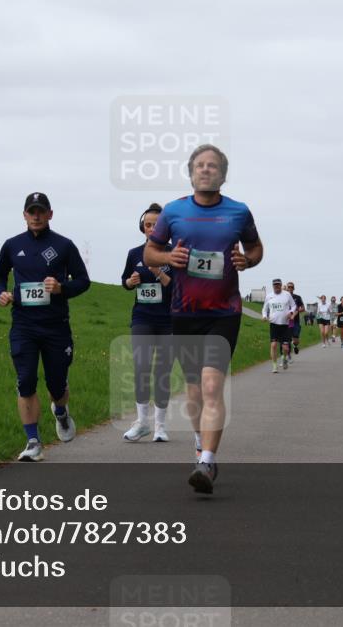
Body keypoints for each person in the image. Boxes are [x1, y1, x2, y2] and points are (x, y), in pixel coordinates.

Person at [144, 144, 263, 494]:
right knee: (195, 390)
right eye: (200, 165)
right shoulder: (173, 211)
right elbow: (150, 252)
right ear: (191, 173)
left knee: (212, 386)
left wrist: (247, 261)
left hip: (224, 312)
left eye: (213, 166)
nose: (206, 170)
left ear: (223, 175)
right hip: (185, 313)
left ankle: (208, 462)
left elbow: (256, 248)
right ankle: (200, 442)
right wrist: (169, 257)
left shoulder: (239, 212)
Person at [0, 192, 91, 462]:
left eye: (41, 211)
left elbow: (83, 281)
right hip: (23, 324)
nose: (36, 216)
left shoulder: (64, 245)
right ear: (24, 215)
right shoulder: (12, 245)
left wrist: (61, 288)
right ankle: (33, 442)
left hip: (56, 326)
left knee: (56, 385)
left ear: (50, 214)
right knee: (25, 380)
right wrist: (0, 293)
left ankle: (60, 411)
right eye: (31, 211)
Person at [121, 203, 174, 443]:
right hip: (142, 317)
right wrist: (130, 282)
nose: (151, 228)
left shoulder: (173, 253)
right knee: (141, 367)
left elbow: (177, 287)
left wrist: (158, 272)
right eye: (148, 225)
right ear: (142, 227)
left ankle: (160, 426)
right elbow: (124, 281)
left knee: (162, 371)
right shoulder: (134, 253)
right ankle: (142, 422)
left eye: (156, 225)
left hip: (169, 320)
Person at [263, 278, 296, 373]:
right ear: (273, 286)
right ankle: (274, 365)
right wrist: (264, 316)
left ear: (281, 285)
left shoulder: (287, 294)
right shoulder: (269, 296)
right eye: (275, 285)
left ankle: (284, 358)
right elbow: (264, 309)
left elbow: (294, 306)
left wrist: (291, 312)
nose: (276, 286)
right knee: (273, 345)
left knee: (285, 348)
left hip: (285, 325)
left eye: (278, 284)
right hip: (274, 324)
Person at [285, 282, 305, 356]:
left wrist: (297, 310)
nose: (290, 288)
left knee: (296, 339)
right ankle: (288, 355)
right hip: (286, 321)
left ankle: (295, 345)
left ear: (293, 288)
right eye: (289, 287)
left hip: (295, 321)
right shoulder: (284, 297)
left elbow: (303, 308)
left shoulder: (297, 297)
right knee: (287, 338)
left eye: (291, 287)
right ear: (286, 288)